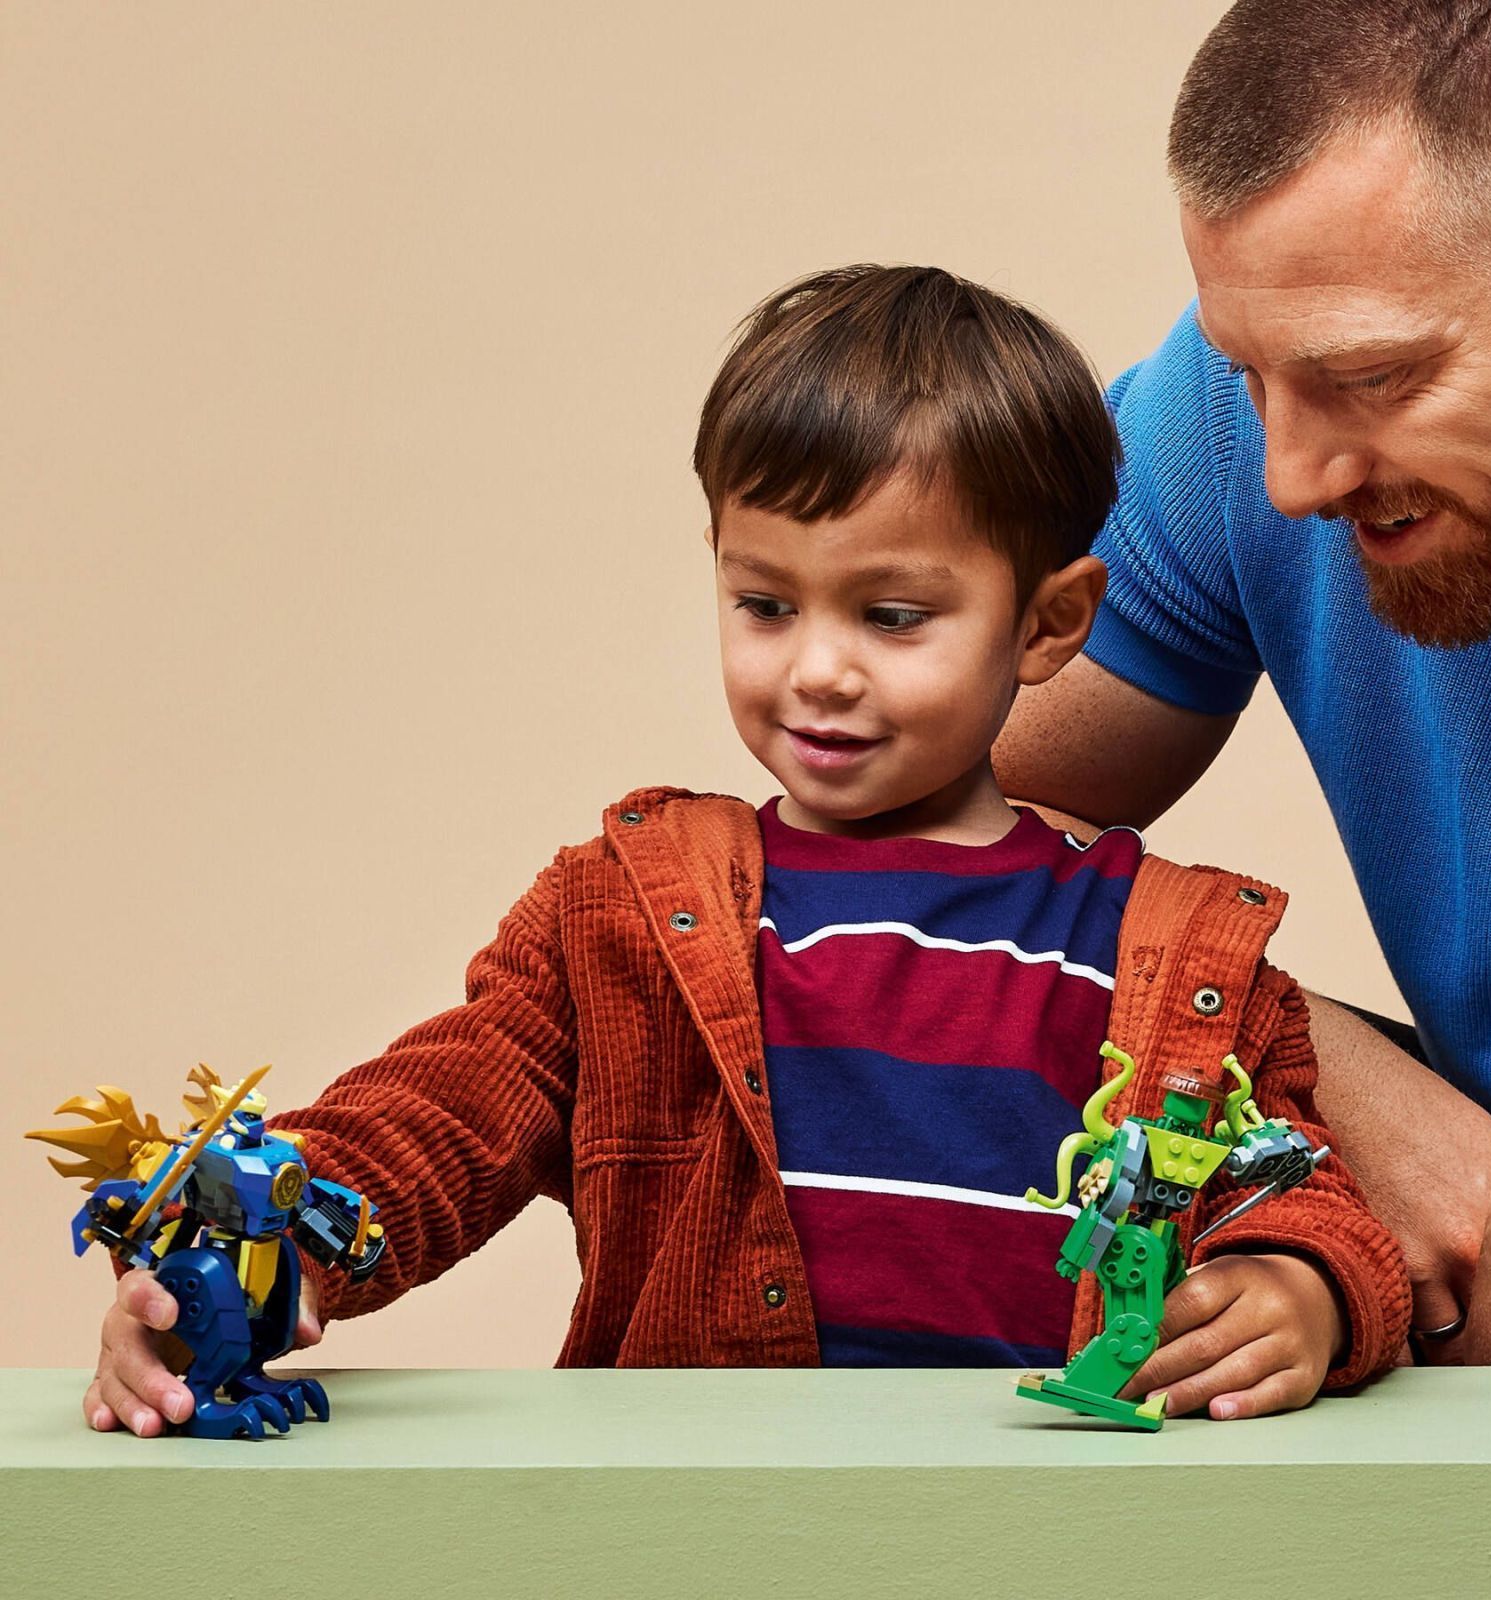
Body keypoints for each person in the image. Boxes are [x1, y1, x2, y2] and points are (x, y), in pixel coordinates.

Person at [79, 265, 1407, 1438]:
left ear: (1050, 625)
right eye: (765, 604)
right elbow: (436, 1119)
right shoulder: (622, 916)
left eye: (893, 615)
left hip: (1042, 1547)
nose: (817, 669)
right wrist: (252, 1254)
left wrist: (1299, 1289)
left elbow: (1298, 1186)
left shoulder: (1168, 957)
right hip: (698, 1534)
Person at [993, 0, 1491, 1368]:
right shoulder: (1232, 414)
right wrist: (1295, 1056)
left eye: (1374, 377)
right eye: (1250, 372)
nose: (1290, 479)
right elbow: (923, 838)